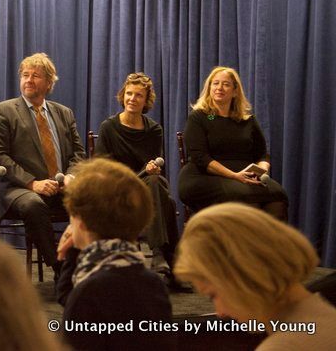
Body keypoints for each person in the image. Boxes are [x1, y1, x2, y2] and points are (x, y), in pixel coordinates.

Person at [174, 202, 336, 350]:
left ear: (245, 275)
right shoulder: (326, 317)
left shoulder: (284, 345)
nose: (220, 312)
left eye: (213, 295)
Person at [56, 158, 176, 350]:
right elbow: (66, 295)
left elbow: (73, 305)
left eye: (72, 218)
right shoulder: (153, 284)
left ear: (81, 223)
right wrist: (73, 249)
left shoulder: (88, 292)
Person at [0, 52, 85, 282]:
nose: (29, 80)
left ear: (49, 83)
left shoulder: (64, 113)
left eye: (36, 76)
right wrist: (33, 183)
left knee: (93, 199)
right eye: (25, 75)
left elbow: (78, 154)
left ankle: (87, 265)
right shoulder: (4, 111)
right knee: (33, 204)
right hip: (20, 189)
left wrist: (71, 176)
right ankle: (60, 269)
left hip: (61, 187)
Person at [95, 72, 183, 287]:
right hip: (118, 187)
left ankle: (161, 256)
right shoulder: (109, 127)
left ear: (146, 101)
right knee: (168, 203)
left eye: (138, 95)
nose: (132, 99)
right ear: (122, 95)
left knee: (155, 183)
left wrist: (152, 170)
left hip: (146, 185)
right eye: (129, 94)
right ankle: (166, 259)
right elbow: (101, 168)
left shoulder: (154, 129)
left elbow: (156, 169)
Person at [178, 66, 288, 218]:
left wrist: (262, 170)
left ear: (235, 91)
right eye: (215, 83)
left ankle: (271, 242)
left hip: (244, 178)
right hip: (204, 177)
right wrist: (234, 176)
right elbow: (200, 157)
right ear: (209, 88)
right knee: (249, 202)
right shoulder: (199, 117)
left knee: (278, 196)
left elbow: (262, 154)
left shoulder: (248, 120)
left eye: (226, 84)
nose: (219, 88)